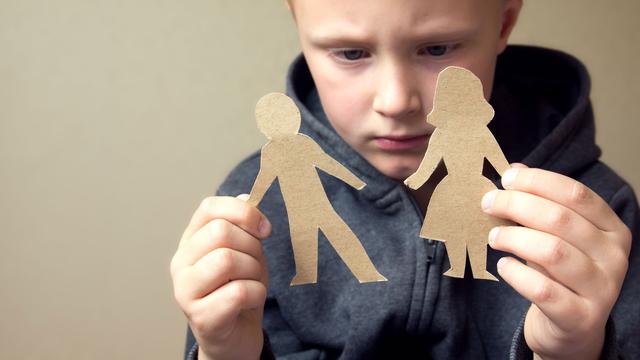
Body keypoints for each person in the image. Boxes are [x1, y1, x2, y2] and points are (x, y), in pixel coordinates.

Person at [169, 0, 639, 359]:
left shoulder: (591, 220)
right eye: (351, 53)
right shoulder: (256, 214)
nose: (396, 101)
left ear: (503, 21)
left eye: (436, 49)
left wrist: (576, 351)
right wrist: (226, 353)